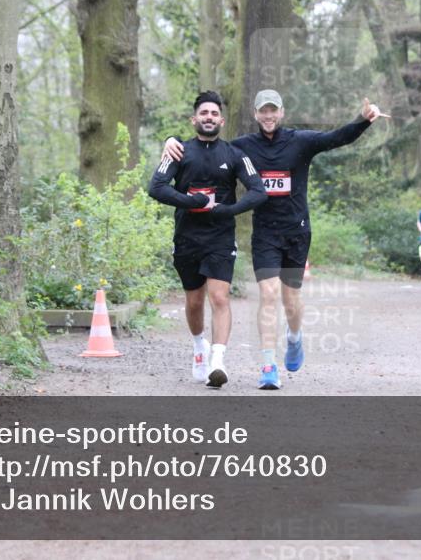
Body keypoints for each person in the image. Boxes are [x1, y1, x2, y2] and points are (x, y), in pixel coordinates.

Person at [163, 89, 390, 389]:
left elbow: (337, 138)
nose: (268, 116)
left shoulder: (301, 141)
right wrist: (171, 141)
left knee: (290, 299)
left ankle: (294, 337)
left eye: (274, 111)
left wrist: (363, 121)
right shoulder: (244, 146)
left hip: (297, 231)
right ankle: (269, 366)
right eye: (263, 111)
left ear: (281, 113)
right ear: (256, 115)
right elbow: (210, 147)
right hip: (265, 233)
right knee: (268, 295)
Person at [148, 91, 267, 389]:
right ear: (194, 120)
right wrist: (193, 202)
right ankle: (199, 346)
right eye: (204, 113)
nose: (209, 118)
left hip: (220, 236)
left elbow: (258, 191)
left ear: (222, 120)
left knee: (219, 297)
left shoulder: (235, 154)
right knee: (194, 300)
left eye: (214, 114)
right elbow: (157, 187)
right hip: (187, 236)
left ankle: (218, 360)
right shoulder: (178, 151)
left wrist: (228, 210)